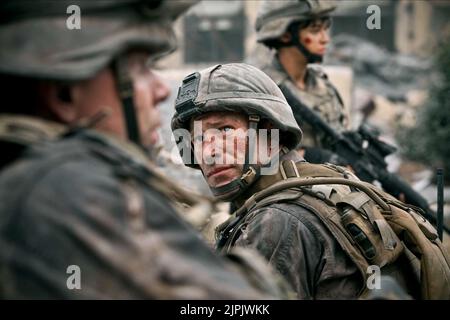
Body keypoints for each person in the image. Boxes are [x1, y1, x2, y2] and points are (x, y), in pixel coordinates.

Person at [0, 0, 288, 299]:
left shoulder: (26, 179)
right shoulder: (71, 190)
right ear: (64, 95)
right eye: (140, 69)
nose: (161, 90)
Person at [171, 62, 450, 299]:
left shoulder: (275, 222)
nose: (209, 151)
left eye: (224, 129)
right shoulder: (324, 184)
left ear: (270, 132)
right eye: (197, 138)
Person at [252, 0, 349, 165]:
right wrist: (310, 155)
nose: (325, 39)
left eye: (325, 29)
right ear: (285, 34)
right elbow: (255, 155)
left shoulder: (324, 87)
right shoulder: (260, 89)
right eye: (315, 30)